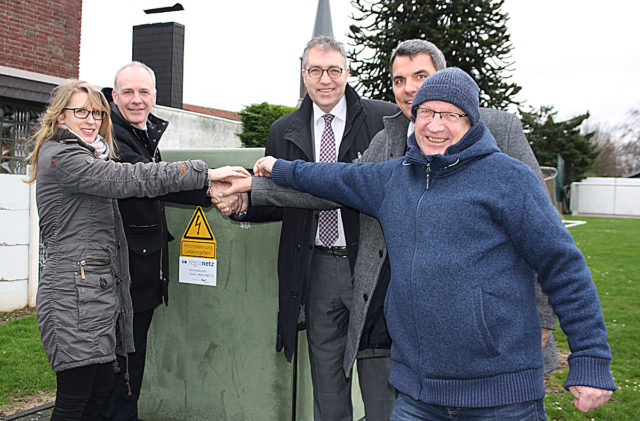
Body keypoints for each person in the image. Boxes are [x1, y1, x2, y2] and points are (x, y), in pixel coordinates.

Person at [253, 67, 616, 419]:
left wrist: (591, 358)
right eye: (426, 112)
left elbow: (563, 266)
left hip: (501, 398)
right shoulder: (394, 179)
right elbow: (336, 177)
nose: (434, 124)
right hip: (417, 397)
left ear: (471, 122)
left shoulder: (509, 179)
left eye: (449, 114)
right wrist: (280, 168)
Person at [25, 79, 247, 420]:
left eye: (97, 113)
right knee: (75, 401)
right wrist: (204, 173)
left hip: (92, 295)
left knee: (99, 394)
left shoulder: (86, 155)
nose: (90, 120)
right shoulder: (65, 157)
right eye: (80, 111)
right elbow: (130, 179)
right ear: (59, 118)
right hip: (73, 296)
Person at [232, 36, 398, 421]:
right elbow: (283, 200)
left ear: (347, 72)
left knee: (381, 385)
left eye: (334, 70)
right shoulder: (283, 130)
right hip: (318, 269)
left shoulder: (382, 119)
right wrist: (245, 204)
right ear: (303, 74)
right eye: (316, 70)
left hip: (372, 269)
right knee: (326, 382)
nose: (325, 80)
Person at [97, 62, 243, 421]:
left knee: (128, 367)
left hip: (140, 275)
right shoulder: (110, 136)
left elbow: (159, 186)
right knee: (119, 374)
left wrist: (211, 192)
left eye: (143, 92)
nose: (136, 100)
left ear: (155, 97)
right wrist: (209, 180)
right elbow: (147, 179)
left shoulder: (141, 132)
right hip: (120, 279)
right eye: (127, 93)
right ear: (114, 97)